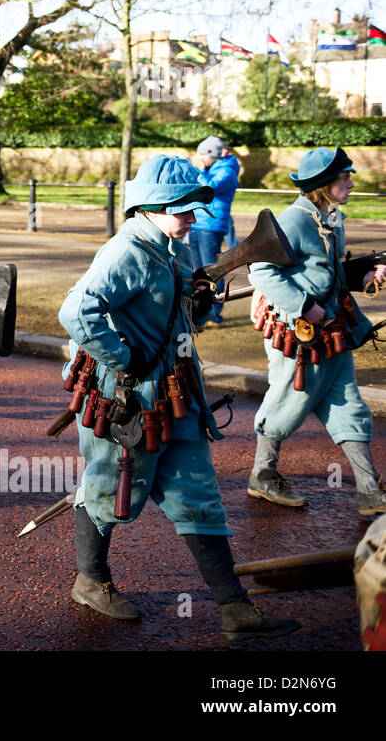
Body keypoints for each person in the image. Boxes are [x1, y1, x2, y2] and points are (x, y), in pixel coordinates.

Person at [58, 154, 299, 642]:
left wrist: (196, 302)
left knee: (200, 497)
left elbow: (172, 311)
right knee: (109, 492)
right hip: (126, 399)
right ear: (153, 206)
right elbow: (75, 312)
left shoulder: (172, 248)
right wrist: (126, 358)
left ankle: (235, 610)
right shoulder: (125, 251)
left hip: (175, 395)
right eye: (185, 208)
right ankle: (91, 580)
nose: (194, 218)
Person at [246, 147, 386, 518]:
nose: (352, 184)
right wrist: (303, 305)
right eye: (345, 178)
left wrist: (364, 276)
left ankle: (370, 491)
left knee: (349, 407)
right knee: (287, 403)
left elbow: (331, 274)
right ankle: (262, 474)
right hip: (299, 332)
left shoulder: (332, 217)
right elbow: (260, 271)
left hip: (332, 329)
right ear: (324, 185)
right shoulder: (294, 220)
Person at [188, 135, 239, 326]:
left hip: (211, 226)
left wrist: (196, 172)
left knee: (212, 271)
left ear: (213, 154)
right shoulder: (209, 169)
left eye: (203, 154)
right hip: (197, 224)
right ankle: (200, 309)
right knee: (197, 272)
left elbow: (210, 188)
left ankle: (214, 313)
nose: (200, 159)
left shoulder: (227, 171)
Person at [218, 142, 242, 250]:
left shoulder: (228, 164)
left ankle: (234, 247)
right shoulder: (223, 162)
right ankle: (234, 247)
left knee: (226, 220)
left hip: (221, 200)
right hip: (218, 201)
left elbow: (216, 184)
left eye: (223, 150)